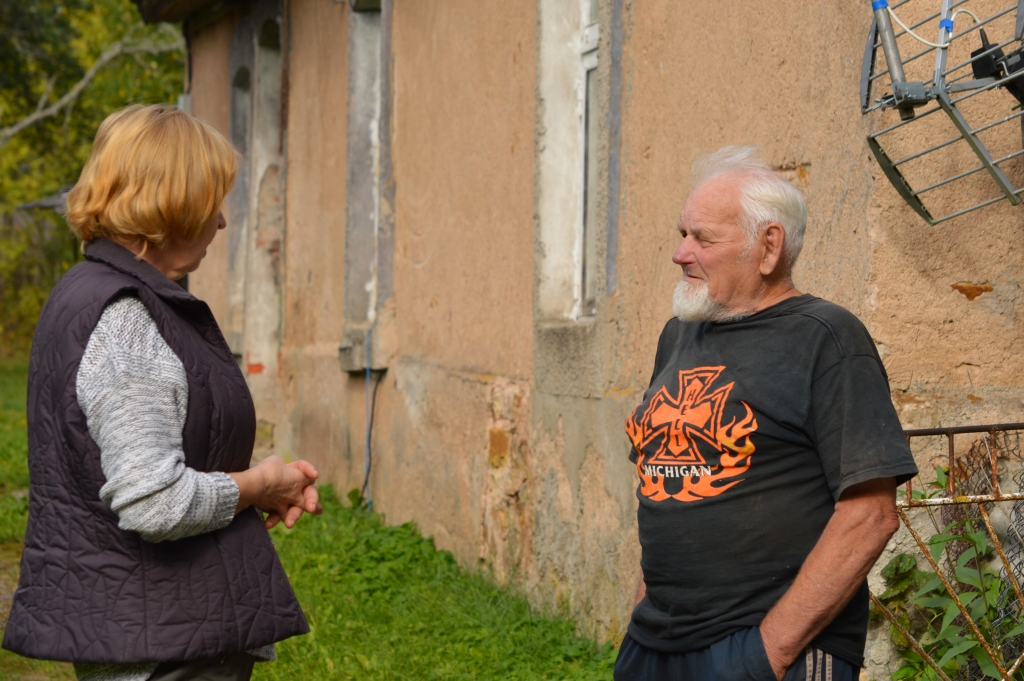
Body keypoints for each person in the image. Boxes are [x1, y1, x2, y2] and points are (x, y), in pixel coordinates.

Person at [2, 104, 322, 681]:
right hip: (166, 648)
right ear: (171, 204)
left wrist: (256, 490)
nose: (220, 222)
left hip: (156, 629)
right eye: (209, 201)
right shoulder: (123, 316)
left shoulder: (90, 291)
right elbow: (155, 501)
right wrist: (260, 484)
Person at [615, 146, 919, 681]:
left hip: (763, 647)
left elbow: (869, 514)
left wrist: (769, 653)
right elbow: (664, 488)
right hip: (655, 644)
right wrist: (642, 616)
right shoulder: (680, 334)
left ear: (769, 246)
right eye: (683, 234)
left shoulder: (826, 338)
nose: (681, 253)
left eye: (703, 238)